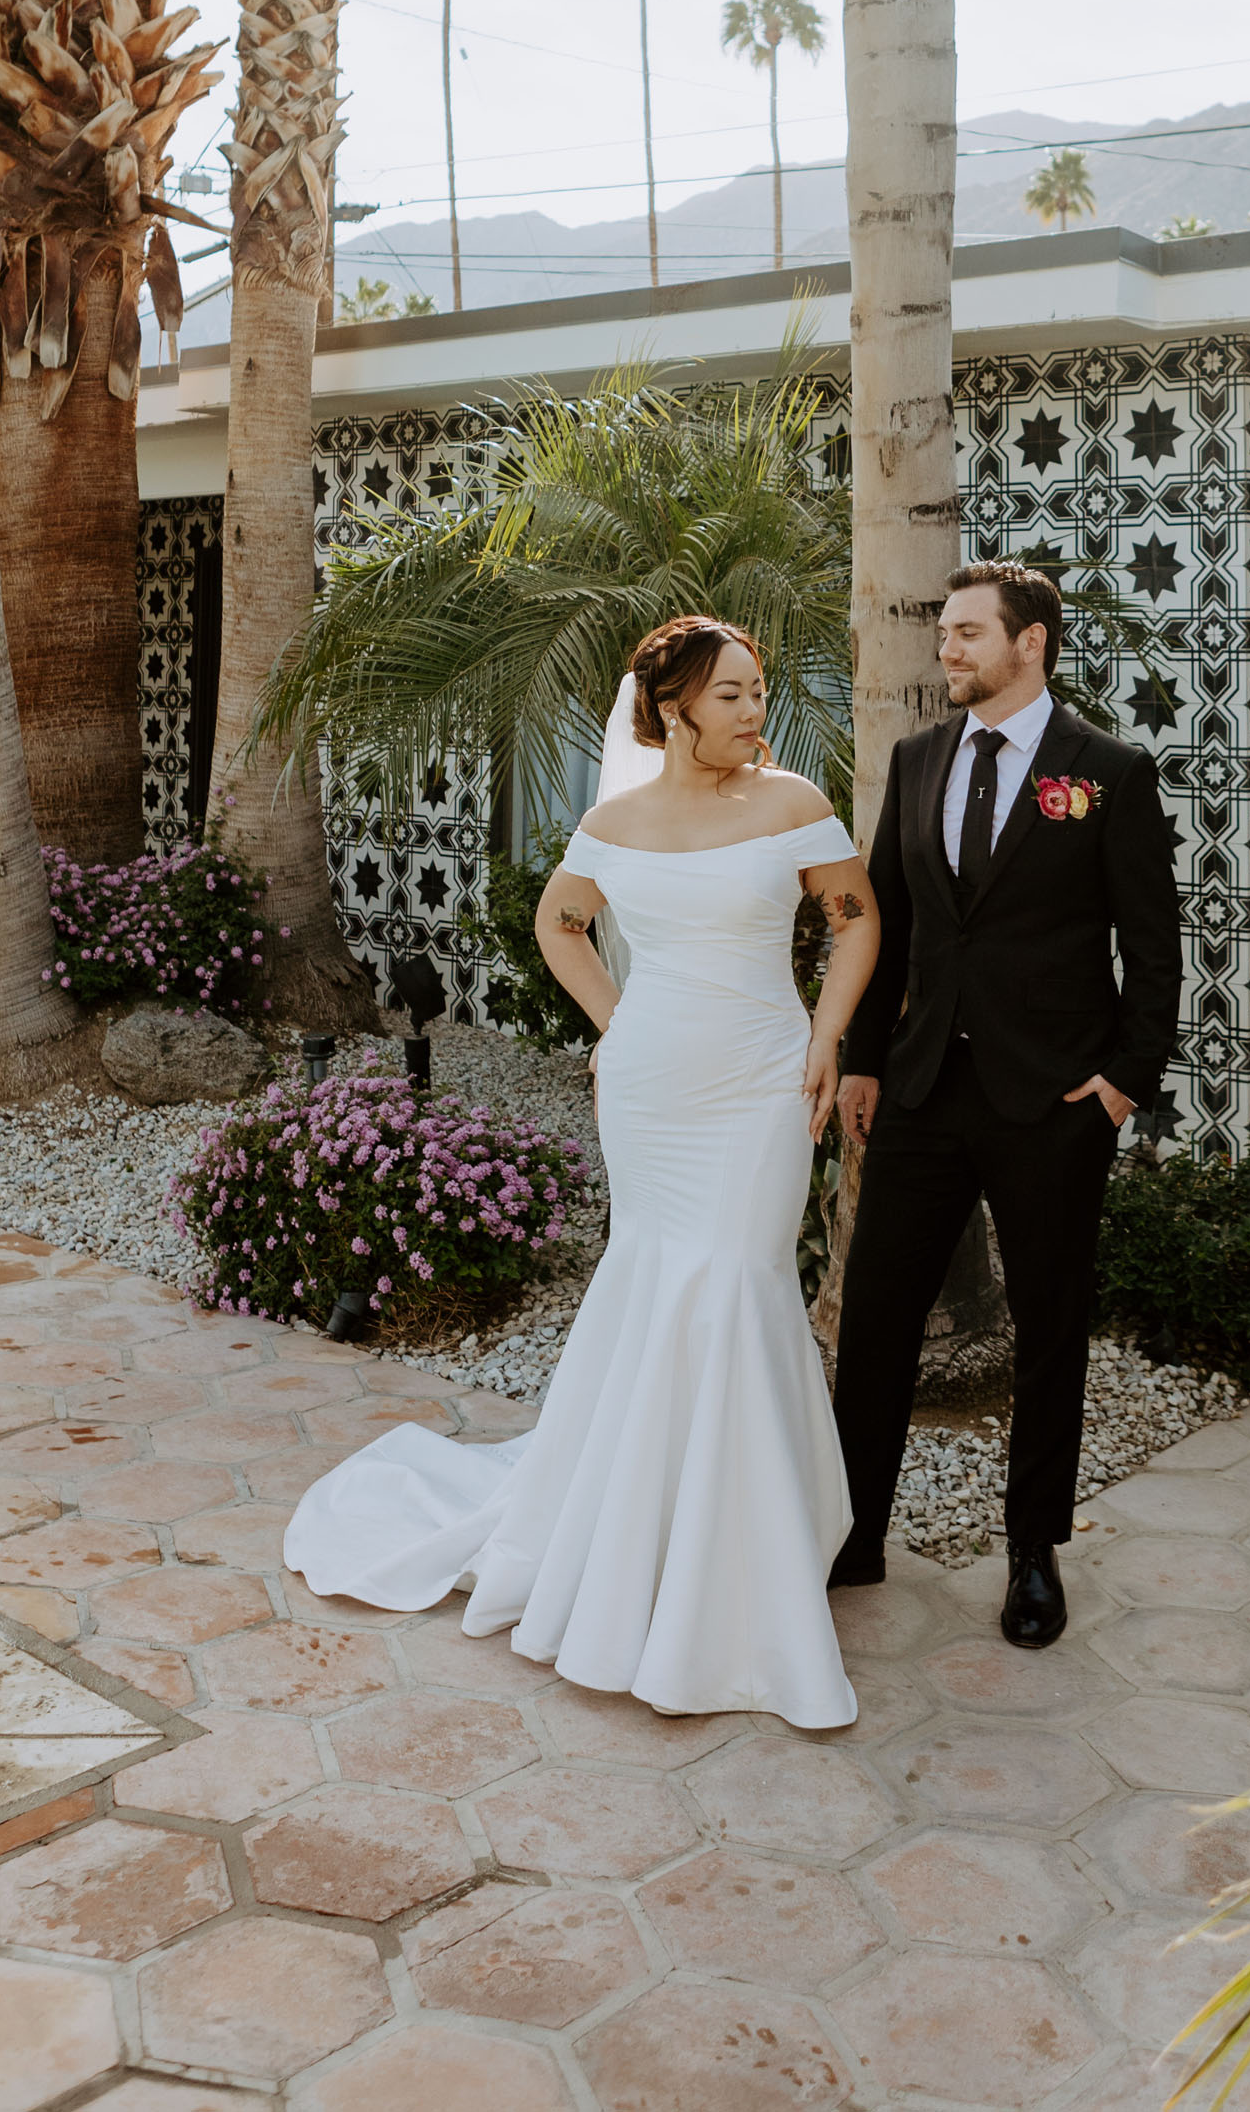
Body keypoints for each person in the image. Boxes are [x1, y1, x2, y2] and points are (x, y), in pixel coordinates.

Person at [284, 613, 880, 1729]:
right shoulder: (612, 822)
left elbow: (856, 922)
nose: (758, 711)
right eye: (736, 695)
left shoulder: (794, 803)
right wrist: (616, 1022)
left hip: (759, 1078)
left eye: (759, 692)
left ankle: (745, 1549)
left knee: (743, 1279)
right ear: (673, 709)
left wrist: (826, 1038)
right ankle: (651, 1545)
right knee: (661, 1277)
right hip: (654, 1087)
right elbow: (564, 926)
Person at [828, 558, 1181, 1648]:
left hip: (1051, 1103)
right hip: (924, 1091)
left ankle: (1033, 1553)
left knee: (1048, 1332)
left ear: (1031, 643)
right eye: (945, 633)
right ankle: (853, 1532)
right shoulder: (917, 758)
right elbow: (891, 926)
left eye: (970, 634)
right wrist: (863, 1059)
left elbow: (1154, 946)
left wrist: (1123, 1083)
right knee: (878, 1320)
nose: (949, 650)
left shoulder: (1108, 773)